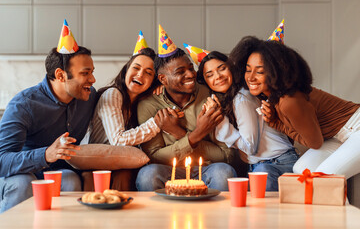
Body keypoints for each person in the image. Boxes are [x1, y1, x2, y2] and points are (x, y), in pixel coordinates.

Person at [229, 35, 360, 179]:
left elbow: (315, 143)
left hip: (356, 129)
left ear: (276, 71)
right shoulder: (274, 96)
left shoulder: (289, 101)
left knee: (322, 178)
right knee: (300, 169)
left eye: (259, 71)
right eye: (248, 70)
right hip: (337, 136)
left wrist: (277, 124)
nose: (251, 77)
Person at [0, 20, 96, 212]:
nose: (92, 79)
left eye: (92, 72)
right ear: (60, 75)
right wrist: (46, 154)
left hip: (58, 173)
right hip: (20, 173)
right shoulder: (24, 105)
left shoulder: (89, 95)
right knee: (23, 183)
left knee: (69, 179)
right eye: (85, 73)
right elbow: (2, 161)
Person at [135, 25, 237, 191]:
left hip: (207, 168)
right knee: (148, 175)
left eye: (191, 68)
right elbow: (153, 157)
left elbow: (225, 156)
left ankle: (217, 217)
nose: (190, 75)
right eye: (180, 72)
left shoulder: (209, 95)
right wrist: (197, 136)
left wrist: (179, 134)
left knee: (224, 173)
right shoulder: (149, 105)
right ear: (163, 79)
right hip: (169, 170)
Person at [88, 32, 181, 190]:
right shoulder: (113, 94)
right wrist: (157, 123)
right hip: (101, 160)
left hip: (123, 162)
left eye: (148, 73)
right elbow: (118, 141)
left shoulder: (141, 102)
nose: (140, 74)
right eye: (136, 68)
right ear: (126, 70)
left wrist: (162, 88)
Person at [196, 50, 297, 191]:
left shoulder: (241, 98)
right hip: (262, 165)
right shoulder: (230, 98)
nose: (218, 76)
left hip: (277, 163)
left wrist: (219, 119)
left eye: (222, 69)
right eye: (210, 75)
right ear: (205, 81)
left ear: (231, 68)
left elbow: (250, 148)